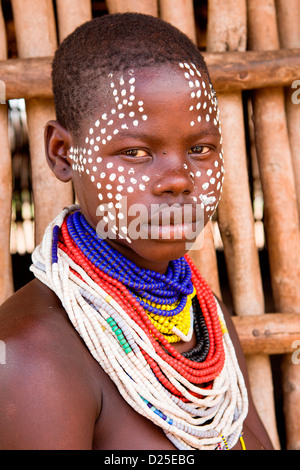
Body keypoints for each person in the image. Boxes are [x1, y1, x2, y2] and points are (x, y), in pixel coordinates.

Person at [0, 13, 273, 450]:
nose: (179, 179)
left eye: (200, 149)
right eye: (135, 152)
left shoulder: (205, 318)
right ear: (63, 153)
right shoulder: (30, 355)